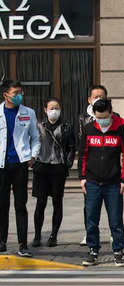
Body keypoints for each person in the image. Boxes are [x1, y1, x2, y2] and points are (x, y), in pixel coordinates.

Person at [79, 98, 124, 267]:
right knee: (91, 219)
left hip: (114, 182)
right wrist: (82, 178)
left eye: (104, 117)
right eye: (98, 117)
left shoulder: (120, 128)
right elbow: (83, 155)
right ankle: (93, 251)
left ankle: (118, 251)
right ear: (94, 115)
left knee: (116, 219)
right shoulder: (88, 129)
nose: (102, 120)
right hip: (92, 182)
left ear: (110, 112)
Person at [0, 80, 40, 257]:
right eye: (15, 92)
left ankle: (23, 244)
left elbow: (36, 138)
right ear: (5, 95)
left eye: (20, 92)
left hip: (20, 164)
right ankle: (2, 242)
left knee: (20, 205)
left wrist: (33, 155)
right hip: (1, 165)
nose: (18, 96)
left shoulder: (28, 113)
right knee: (2, 205)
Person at [32, 97, 75, 248]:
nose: (54, 111)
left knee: (57, 202)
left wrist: (67, 164)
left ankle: (53, 236)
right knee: (41, 203)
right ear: (45, 110)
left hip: (58, 168)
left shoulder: (66, 127)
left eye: (57, 107)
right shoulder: (38, 125)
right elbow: (32, 142)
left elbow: (71, 146)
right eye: (51, 108)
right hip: (42, 167)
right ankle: (37, 235)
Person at [77, 84, 110, 247]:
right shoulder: (83, 118)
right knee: (89, 206)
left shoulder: (113, 117)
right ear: (89, 100)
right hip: (91, 169)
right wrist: (82, 175)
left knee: (113, 206)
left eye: (101, 96)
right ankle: (89, 233)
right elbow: (81, 145)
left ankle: (113, 233)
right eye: (95, 96)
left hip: (109, 169)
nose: (98, 99)